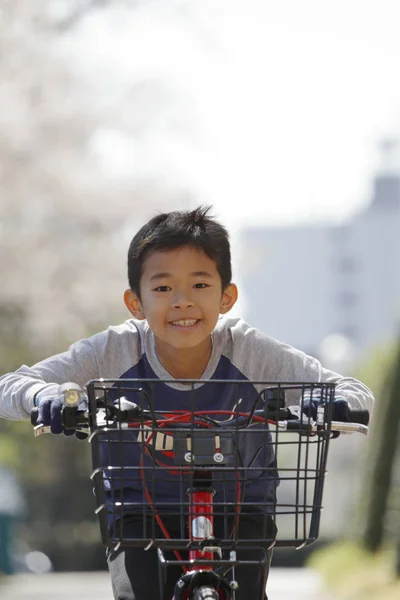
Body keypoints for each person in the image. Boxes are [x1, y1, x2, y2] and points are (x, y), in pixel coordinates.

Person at [0, 206, 374, 599]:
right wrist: (47, 396)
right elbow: (12, 385)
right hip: (141, 510)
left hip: (240, 504)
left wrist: (331, 403)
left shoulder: (250, 351)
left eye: (199, 285)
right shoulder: (114, 350)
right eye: (163, 288)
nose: (182, 302)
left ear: (227, 296)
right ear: (135, 303)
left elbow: (347, 388)